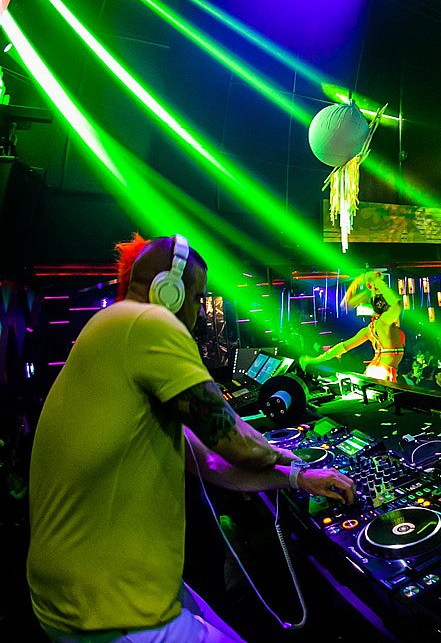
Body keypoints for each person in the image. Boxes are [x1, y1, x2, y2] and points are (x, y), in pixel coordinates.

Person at [27, 235, 354, 643]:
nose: (200, 311)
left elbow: (211, 462)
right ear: (169, 291)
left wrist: (297, 478)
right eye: (198, 298)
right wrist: (288, 455)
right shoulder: (149, 323)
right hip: (105, 607)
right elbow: (234, 443)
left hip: (82, 592)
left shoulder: (113, 328)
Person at [301, 270, 405, 380]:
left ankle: (312, 360)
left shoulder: (374, 328)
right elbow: (397, 303)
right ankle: (313, 360)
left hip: (380, 371)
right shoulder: (383, 322)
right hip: (381, 372)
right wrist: (367, 281)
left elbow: (342, 347)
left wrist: (364, 281)